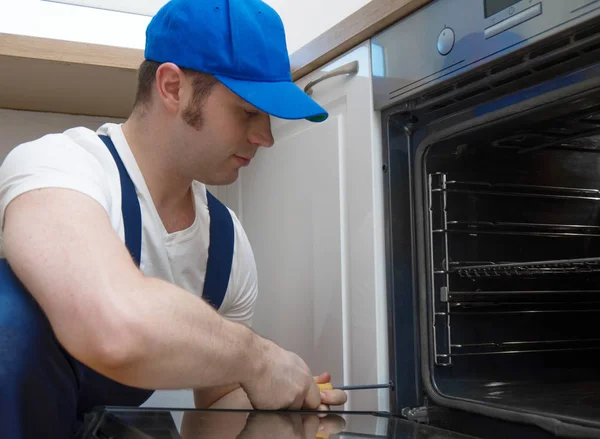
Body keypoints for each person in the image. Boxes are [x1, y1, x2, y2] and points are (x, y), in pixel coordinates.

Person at [0, 0, 347, 437]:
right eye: (247, 111)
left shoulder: (227, 245)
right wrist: (258, 358)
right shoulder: (59, 167)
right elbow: (116, 326)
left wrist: (284, 403)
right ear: (171, 87)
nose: (266, 137)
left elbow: (218, 400)